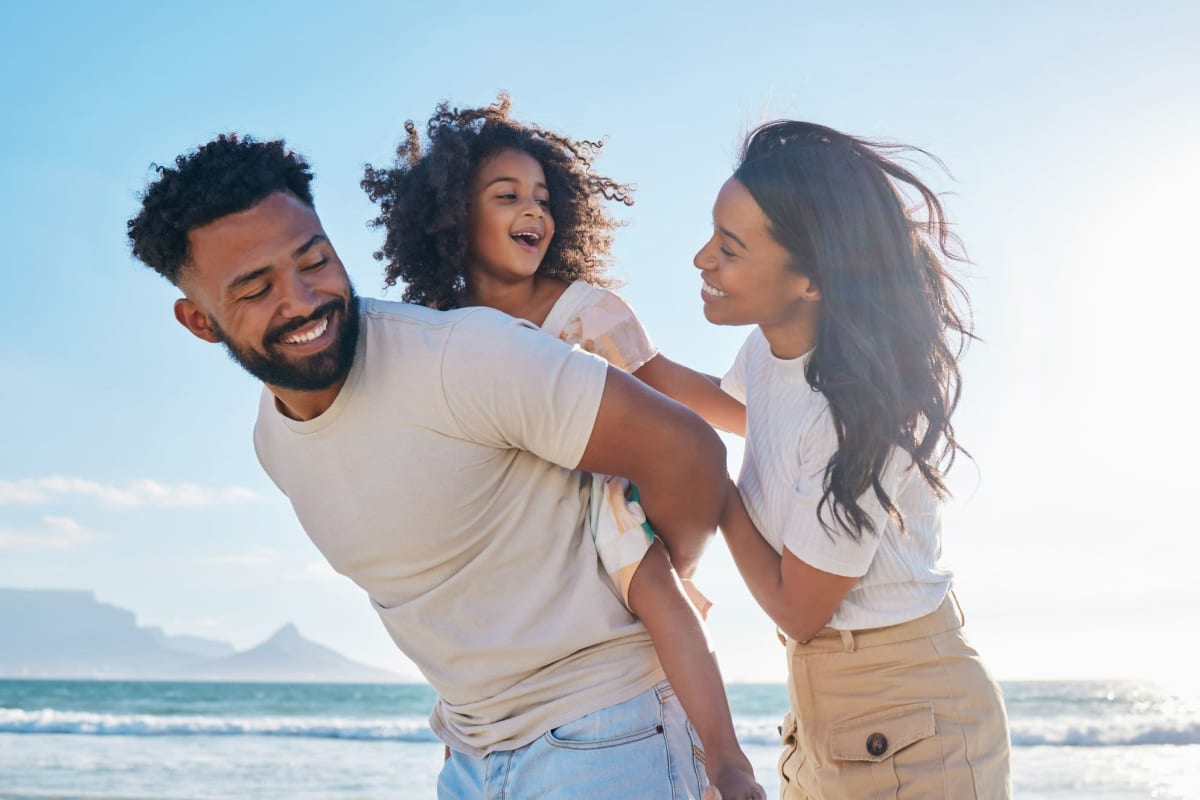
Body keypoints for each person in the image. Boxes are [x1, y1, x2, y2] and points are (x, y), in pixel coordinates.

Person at [127, 133, 731, 799]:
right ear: (199, 321)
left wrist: (646, 576)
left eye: (315, 260)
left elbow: (690, 452)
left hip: (604, 736)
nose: (301, 300)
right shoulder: (273, 441)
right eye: (255, 288)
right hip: (470, 755)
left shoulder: (463, 358)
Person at [361, 94, 761, 800]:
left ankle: (728, 763)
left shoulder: (582, 310)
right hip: (510, 523)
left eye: (543, 198)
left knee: (659, 594)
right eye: (507, 195)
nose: (533, 212)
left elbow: (666, 384)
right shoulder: (441, 333)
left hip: (595, 497)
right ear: (455, 215)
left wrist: (769, 421)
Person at [696, 120, 1012, 798]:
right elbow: (745, 416)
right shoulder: (771, 351)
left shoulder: (857, 416)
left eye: (728, 248)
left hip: (911, 725)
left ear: (810, 279)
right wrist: (614, 351)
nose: (702, 260)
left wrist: (713, 491)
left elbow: (798, 609)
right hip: (825, 712)